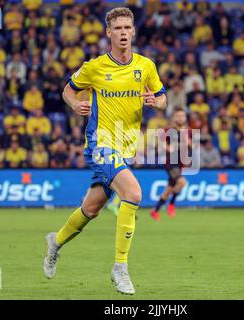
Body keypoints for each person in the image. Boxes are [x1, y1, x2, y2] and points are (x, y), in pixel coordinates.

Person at [42, 8, 166, 296]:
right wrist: (75, 105)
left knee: (92, 209)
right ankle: (120, 268)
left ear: (133, 31)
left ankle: (55, 242)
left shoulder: (146, 66)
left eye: (127, 27)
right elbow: (68, 91)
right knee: (133, 194)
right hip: (100, 143)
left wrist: (156, 102)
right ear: (108, 32)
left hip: (125, 148)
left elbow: (162, 97)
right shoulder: (94, 67)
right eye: (118, 28)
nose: (123, 32)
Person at [150, 109, 189, 221]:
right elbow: (161, 143)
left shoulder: (186, 131)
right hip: (170, 162)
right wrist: (168, 148)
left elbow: (188, 146)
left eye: (183, 115)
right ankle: (171, 204)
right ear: (173, 118)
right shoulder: (168, 130)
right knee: (182, 182)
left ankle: (155, 210)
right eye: (178, 116)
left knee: (168, 190)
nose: (181, 118)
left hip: (179, 163)